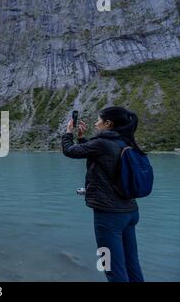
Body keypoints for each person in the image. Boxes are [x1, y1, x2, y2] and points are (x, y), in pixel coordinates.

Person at [61, 106, 145, 282]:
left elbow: (70, 151)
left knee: (112, 267)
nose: (96, 122)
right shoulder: (126, 142)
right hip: (130, 212)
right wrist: (82, 138)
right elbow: (99, 156)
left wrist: (68, 133)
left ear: (108, 123)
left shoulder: (102, 143)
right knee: (131, 263)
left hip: (109, 215)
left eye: (99, 120)